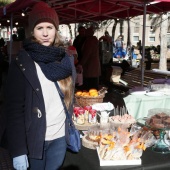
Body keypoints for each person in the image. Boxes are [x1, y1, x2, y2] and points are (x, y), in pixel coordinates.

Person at [5, 2, 76, 170]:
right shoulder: (22, 62)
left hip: (59, 139)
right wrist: (18, 150)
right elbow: (14, 109)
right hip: (34, 140)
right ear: (32, 31)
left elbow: (69, 99)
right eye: (40, 28)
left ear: (56, 30)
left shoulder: (65, 61)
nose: (45, 33)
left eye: (50, 27)